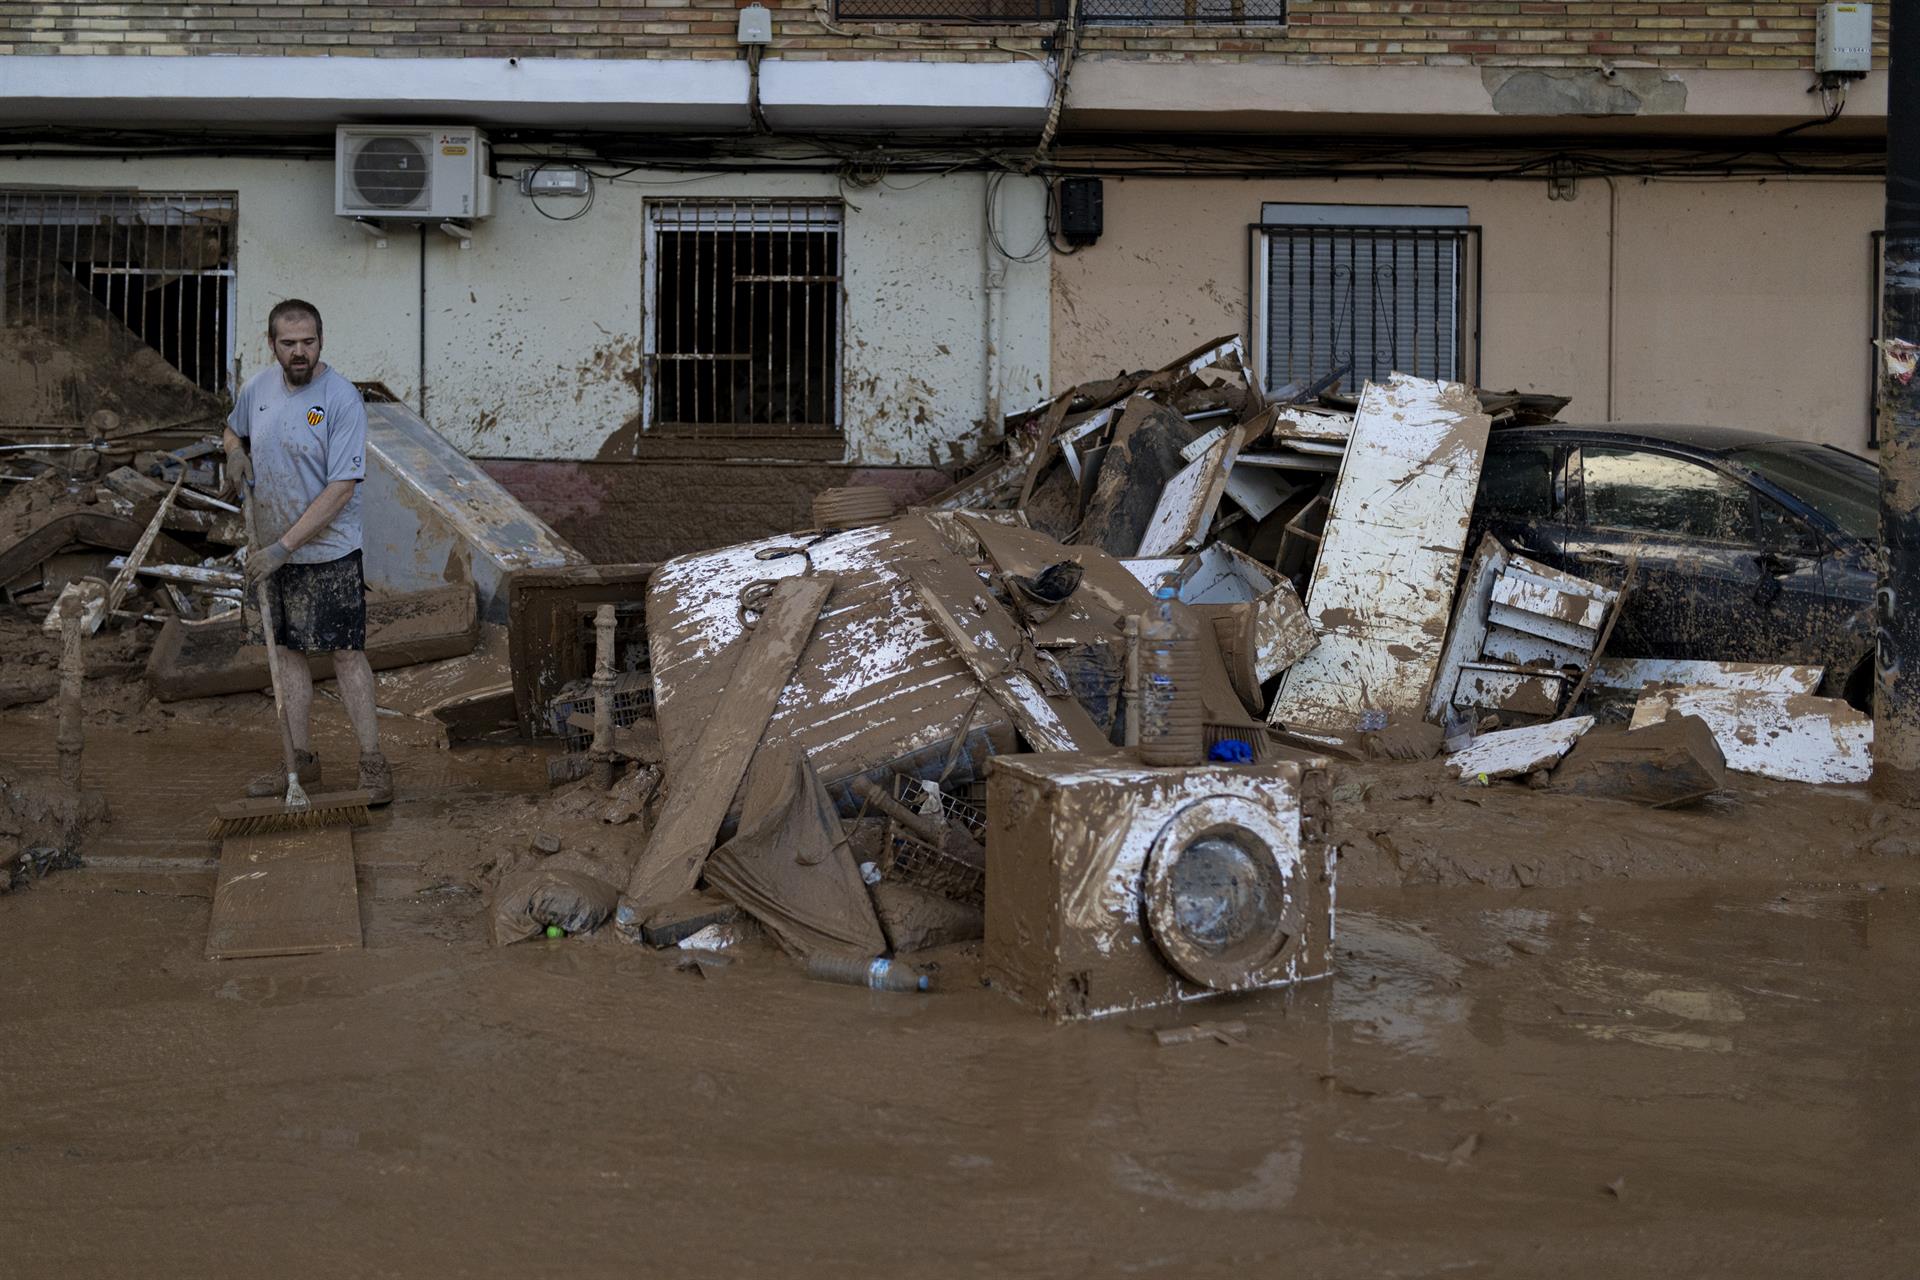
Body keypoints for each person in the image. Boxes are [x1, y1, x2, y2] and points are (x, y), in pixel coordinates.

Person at [221, 299, 392, 805]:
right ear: (271, 344)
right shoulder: (257, 389)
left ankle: (373, 764)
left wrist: (284, 546)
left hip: (328, 551)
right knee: (287, 655)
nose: (300, 352)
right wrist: (234, 451)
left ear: (322, 340)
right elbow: (233, 427)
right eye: (289, 343)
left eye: (309, 342)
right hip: (269, 550)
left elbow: (341, 487)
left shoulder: (340, 399)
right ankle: (300, 762)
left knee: (345, 652)